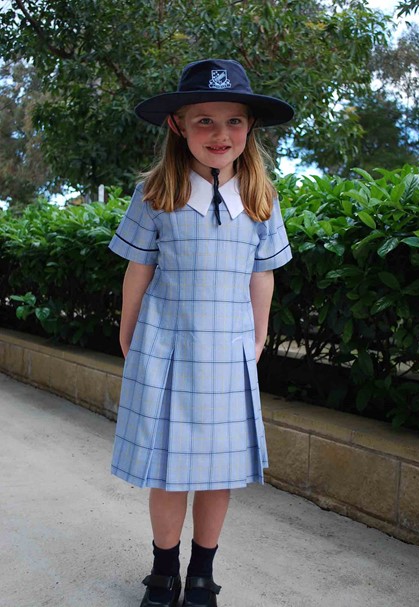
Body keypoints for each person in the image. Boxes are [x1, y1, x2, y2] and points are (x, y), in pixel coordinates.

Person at [108, 58, 294, 607]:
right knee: (168, 470)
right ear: (178, 125)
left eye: (234, 121)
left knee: (218, 471)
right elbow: (137, 268)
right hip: (166, 347)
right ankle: (164, 569)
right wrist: (129, 331)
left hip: (227, 352)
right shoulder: (155, 194)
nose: (220, 134)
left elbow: (264, 275)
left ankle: (202, 574)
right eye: (205, 121)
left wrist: (257, 338)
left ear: (249, 129)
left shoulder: (262, 199)